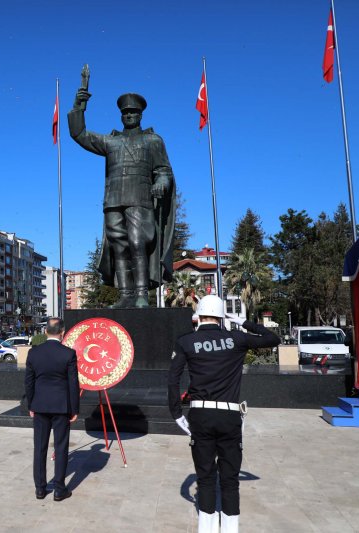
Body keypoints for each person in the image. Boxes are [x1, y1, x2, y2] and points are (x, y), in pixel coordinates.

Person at [167, 295, 280, 533]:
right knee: (230, 479)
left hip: (200, 415)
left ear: (198, 315)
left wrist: (176, 413)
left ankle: (206, 528)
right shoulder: (236, 338)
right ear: (221, 316)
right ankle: (230, 529)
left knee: (205, 477)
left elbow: (173, 379)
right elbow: (273, 338)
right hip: (229, 416)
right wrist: (242, 322)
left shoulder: (186, 341)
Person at [68, 88, 175, 308]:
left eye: (133, 112)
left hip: (140, 198)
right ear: (121, 116)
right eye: (125, 113)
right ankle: (125, 295)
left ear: (140, 115)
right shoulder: (111, 142)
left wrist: (161, 183)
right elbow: (79, 134)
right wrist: (79, 106)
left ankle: (142, 294)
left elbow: (164, 170)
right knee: (119, 246)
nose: (129, 115)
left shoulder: (153, 140)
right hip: (113, 200)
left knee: (138, 243)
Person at [25, 317, 80, 501]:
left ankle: (40, 489)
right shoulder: (69, 354)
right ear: (62, 332)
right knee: (61, 447)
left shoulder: (34, 353)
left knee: (39, 447)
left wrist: (31, 405)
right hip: (61, 407)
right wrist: (74, 409)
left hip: (40, 405)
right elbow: (73, 384)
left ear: (45, 331)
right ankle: (59, 489)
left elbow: (29, 382)